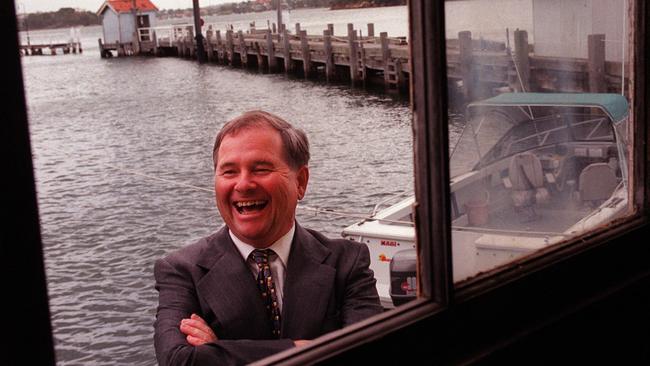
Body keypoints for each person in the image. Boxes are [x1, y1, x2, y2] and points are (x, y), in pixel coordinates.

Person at [153, 110, 383, 366]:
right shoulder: (181, 271)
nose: (243, 184)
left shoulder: (348, 262)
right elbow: (178, 360)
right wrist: (299, 348)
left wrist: (219, 350)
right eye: (229, 172)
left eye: (260, 169)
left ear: (301, 182)